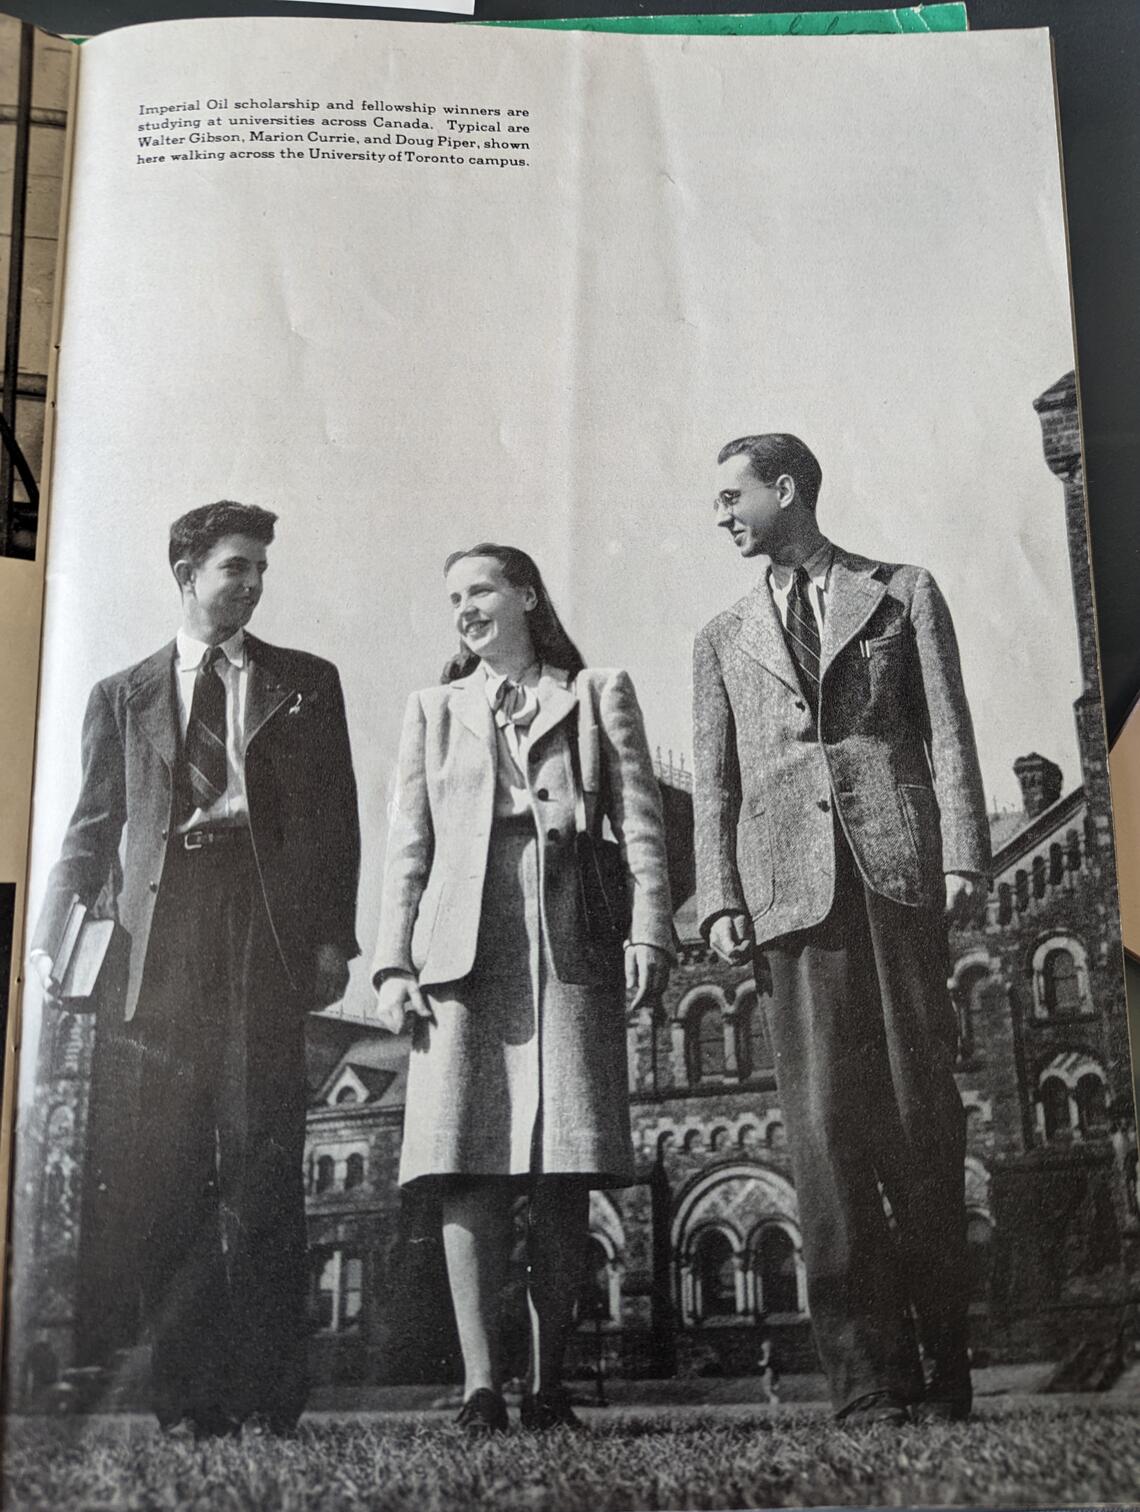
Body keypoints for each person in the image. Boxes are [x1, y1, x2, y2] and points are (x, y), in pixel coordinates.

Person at [31, 501, 361, 1437]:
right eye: (234, 567)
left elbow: (335, 824)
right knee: (166, 1172)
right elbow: (90, 832)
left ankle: (270, 1397)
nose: (253, 583)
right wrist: (55, 937)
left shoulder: (307, 683)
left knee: (263, 1162)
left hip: (260, 934)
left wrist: (332, 940)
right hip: (156, 950)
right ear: (186, 574)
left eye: (260, 568)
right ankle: (188, 1402)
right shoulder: (121, 694)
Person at [692, 435, 991, 1428]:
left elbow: (946, 727)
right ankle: (866, 1385)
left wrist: (961, 858)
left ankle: (944, 1373)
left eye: (733, 495)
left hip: (895, 878)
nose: (721, 513)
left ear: (787, 491)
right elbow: (717, 780)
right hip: (788, 897)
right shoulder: (721, 635)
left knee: (919, 1117)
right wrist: (721, 894)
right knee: (823, 1133)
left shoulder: (901, 589)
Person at [372, 543, 673, 1433]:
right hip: (463, 953)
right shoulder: (432, 711)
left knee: (562, 1168)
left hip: (570, 939)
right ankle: (479, 1387)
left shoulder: (595, 691)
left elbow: (644, 828)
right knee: (464, 1163)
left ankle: (547, 1387)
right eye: (453, 596)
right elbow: (408, 847)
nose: (464, 608)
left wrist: (651, 929)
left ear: (527, 596)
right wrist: (392, 965)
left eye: (481, 590)